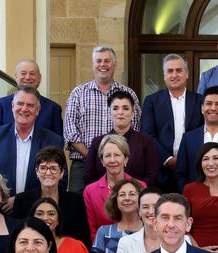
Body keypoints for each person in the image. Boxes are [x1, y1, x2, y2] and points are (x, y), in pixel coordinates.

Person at [64, 45, 141, 193]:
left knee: (119, 207)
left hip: (119, 165)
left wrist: (113, 158)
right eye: (98, 61)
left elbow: (135, 129)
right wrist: (96, 157)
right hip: (83, 164)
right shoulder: (79, 93)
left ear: (115, 64)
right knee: (79, 208)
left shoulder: (128, 94)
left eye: (107, 61)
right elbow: (70, 132)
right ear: (93, 64)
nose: (103, 65)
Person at [0, 86, 65, 211]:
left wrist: (22, 201)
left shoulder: (53, 141)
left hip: (38, 215)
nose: (24, 109)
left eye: (30, 105)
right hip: (0, 213)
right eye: (20, 104)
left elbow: (60, 182)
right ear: (12, 106)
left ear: (38, 110)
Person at [141, 54, 203, 193]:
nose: (174, 75)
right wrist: (168, 159)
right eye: (170, 71)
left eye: (179, 70)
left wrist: (186, 159)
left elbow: (202, 132)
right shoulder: (151, 101)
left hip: (192, 170)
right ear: (164, 76)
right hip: (161, 171)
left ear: (186, 74)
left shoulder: (200, 101)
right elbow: (147, 134)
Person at [12, 146, 91, 248]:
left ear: (62, 173)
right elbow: (16, 237)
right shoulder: (22, 200)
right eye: (43, 168)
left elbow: (83, 239)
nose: (48, 173)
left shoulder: (76, 201)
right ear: (37, 171)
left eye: (53, 168)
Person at [85, 90, 159, 187]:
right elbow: (89, 176)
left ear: (132, 114)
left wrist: (133, 192)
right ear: (109, 113)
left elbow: (152, 176)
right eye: (115, 108)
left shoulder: (145, 142)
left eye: (125, 108)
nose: (120, 112)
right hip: (102, 198)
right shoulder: (97, 143)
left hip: (136, 197)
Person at [83, 134, 147, 241]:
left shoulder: (141, 186)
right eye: (107, 156)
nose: (112, 160)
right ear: (102, 161)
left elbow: (145, 222)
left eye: (117, 155)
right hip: (104, 248)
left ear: (126, 159)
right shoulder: (90, 191)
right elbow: (92, 229)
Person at [0, 59, 63, 135]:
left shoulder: (53, 108)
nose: (28, 77)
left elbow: (57, 143)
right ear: (16, 77)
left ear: (40, 78)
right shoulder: (1, 105)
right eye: (23, 73)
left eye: (32, 74)